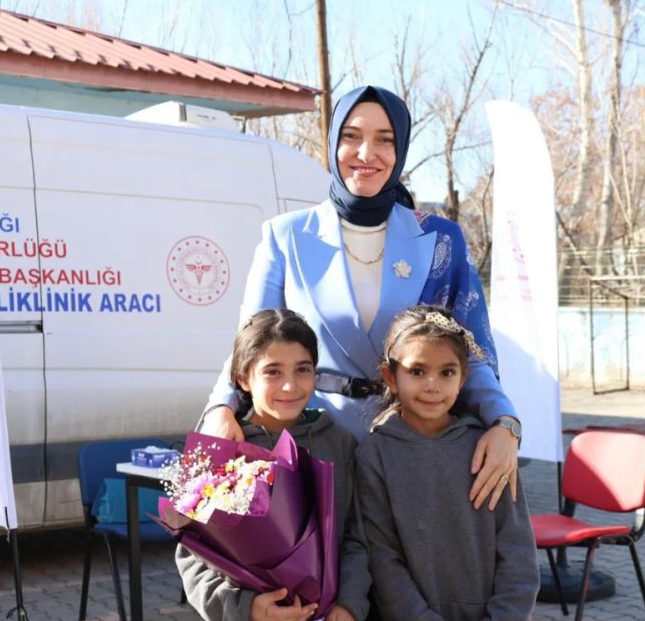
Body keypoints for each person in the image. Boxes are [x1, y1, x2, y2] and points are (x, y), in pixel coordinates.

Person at [200, 84, 523, 510]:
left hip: (411, 444)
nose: (366, 153)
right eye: (351, 136)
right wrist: (220, 408)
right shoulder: (286, 237)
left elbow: (473, 350)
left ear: (401, 148)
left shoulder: (440, 240)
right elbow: (251, 346)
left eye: (384, 139)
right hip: (312, 446)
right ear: (333, 141)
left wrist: (505, 423)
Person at [177, 309, 370, 621]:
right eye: (272, 372)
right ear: (243, 378)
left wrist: (349, 605)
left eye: (302, 370)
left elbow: (355, 536)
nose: (289, 386)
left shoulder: (339, 442)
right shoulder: (223, 446)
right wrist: (245, 609)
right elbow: (193, 557)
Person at [356, 306, 539, 620]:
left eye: (446, 372)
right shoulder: (374, 454)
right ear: (391, 376)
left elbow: (517, 549)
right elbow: (382, 557)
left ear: (463, 378)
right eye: (417, 371)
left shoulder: (489, 449)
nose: (432, 385)